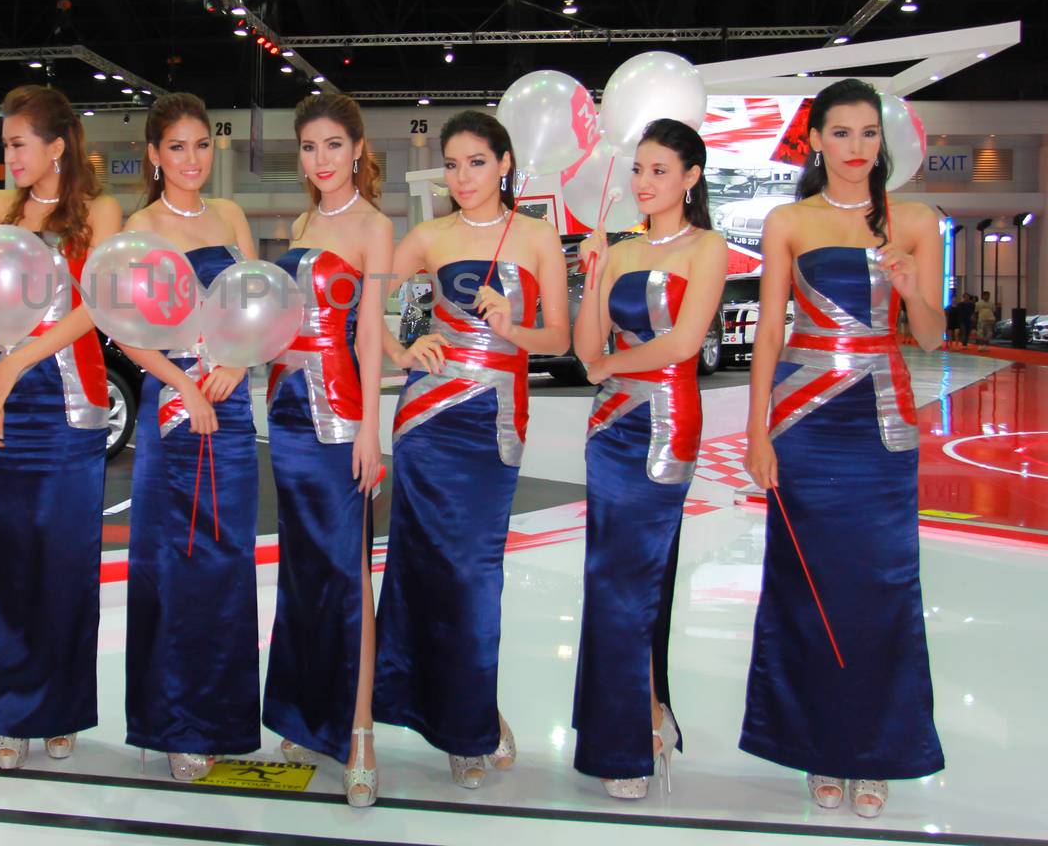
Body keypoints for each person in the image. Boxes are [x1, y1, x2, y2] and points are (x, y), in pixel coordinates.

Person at [742, 79, 946, 819]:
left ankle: (877, 749)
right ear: (817, 140)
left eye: (868, 134)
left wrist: (909, 285)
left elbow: (929, 334)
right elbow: (768, 331)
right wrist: (758, 430)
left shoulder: (915, 220)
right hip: (804, 425)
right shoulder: (788, 220)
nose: (856, 149)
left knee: (882, 589)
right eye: (841, 133)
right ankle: (820, 747)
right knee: (805, 588)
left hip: (880, 427)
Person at [374, 111, 569, 789]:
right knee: (422, 568)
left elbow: (560, 341)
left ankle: (470, 714)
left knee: (474, 576)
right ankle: (455, 721)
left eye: (477, 163)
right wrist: (404, 347)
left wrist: (514, 325)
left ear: (506, 164)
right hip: (428, 417)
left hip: (494, 426)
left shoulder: (539, 238)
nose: (463, 178)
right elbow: (375, 303)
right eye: (452, 165)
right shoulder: (429, 235)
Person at [0, 84, 123, 770]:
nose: (10, 156)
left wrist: (13, 364)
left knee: (64, 566)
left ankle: (60, 711)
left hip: (72, 410)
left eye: (19, 143)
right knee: (7, 563)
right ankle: (7, 712)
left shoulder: (101, 212)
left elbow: (97, 307)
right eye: (5, 145)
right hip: (7, 403)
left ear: (57, 146)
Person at [570, 119, 727, 798]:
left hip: (665, 424)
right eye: (638, 169)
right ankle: (640, 718)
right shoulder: (625, 251)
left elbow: (683, 345)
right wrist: (594, 275)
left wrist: (611, 362)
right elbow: (584, 348)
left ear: (691, 177)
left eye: (660, 170)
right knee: (610, 581)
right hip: (608, 429)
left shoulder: (709, 247)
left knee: (636, 581)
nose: (644, 183)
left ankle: (639, 730)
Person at [115, 93, 260, 782]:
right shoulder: (138, 225)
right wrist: (190, 385)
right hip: (177, 406)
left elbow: (258, 302)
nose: (192, 159)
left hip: (231, 408)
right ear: (153, 155)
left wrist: (236, 362)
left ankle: (225, 719)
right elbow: (127, 330)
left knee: (227, 563)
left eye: (202, 145)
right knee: (175, 564)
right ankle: (176, 724)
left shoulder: (231, 217)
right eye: (177, 147)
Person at [262, 93, 391, 807]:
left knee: (348, 576)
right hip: (285, 413)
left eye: (334, 146)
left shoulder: (374, 225)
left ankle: (361, 732)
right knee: (304, 574)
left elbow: (369, 332)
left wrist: (373, 427)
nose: (321, 161)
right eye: (310, 148)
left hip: (340, 419)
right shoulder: (304, 222)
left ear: (359, 147)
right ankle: (311, 714)